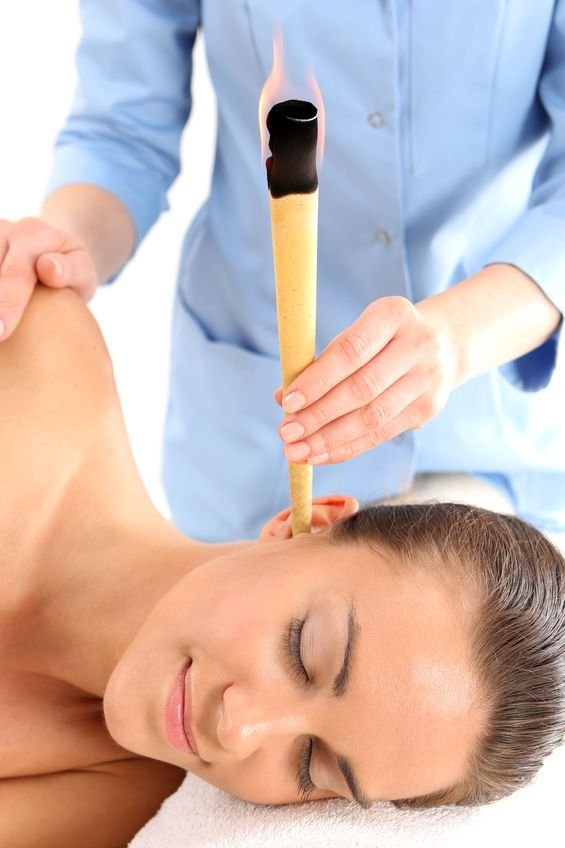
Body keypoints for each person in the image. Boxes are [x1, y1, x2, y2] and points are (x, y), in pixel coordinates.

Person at [1, 284, 564, 848]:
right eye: (300, 651)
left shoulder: (114, 798)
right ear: (308, 523)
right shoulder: (28, 349)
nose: (238, 730)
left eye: (311, 765)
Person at [0, 2, 564, 543]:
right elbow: (121, 132)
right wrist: (63, 247)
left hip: (488, 433)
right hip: (250, 445)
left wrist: (456, 337)